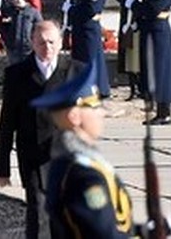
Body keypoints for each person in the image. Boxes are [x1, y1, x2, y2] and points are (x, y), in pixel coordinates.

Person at [35, 59, 135, 238]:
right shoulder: (84, 174)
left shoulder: (72, 161)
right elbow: (101, 233)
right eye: (94, 106)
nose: (102, 113)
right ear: (75, 116)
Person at [0, 19, 73, 239]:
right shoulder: (17, 74)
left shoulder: (74, 72)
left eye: (51, 42)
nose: (47, 48)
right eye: (41, 42)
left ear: (60, 43)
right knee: (38, 214)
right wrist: (1, 167)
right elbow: (7, 122)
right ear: (32, 42)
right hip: (33, 156)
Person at [66, 0, 110, 100]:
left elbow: (90, 9)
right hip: (83, 29)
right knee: (85, 59)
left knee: (90, 59)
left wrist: (72, 10)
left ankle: (96, 88)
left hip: (89, 28)